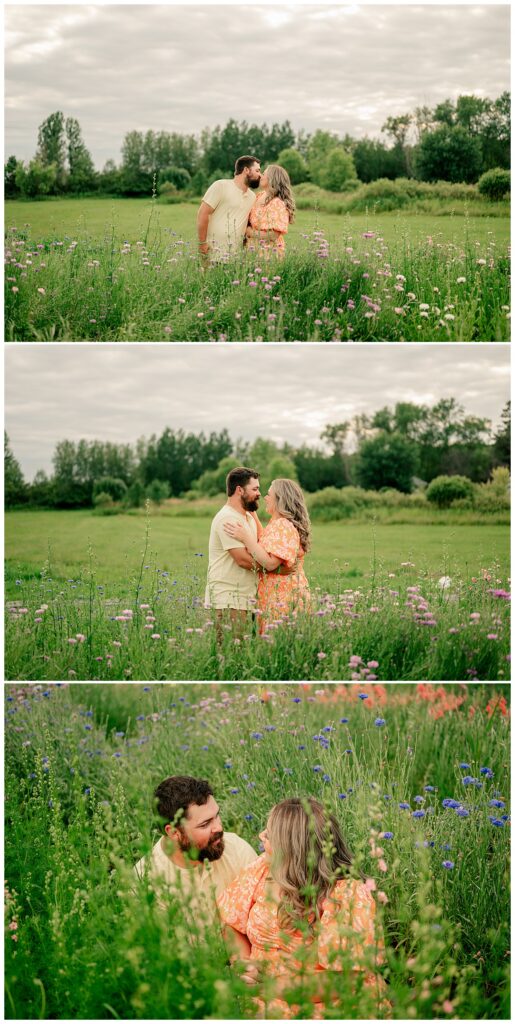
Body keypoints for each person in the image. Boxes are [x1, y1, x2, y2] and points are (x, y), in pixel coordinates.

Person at [217, 798, 387, 1019]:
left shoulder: (347, 895)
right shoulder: (262, 869)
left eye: (268, 836)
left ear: (291, 849)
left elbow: (344, 980)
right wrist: (243, 963)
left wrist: (269, 988)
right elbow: (230, 923)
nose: (260, 837)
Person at [134, 775, 257, 923]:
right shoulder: (145, 881)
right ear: (174, 833)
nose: (218, 827)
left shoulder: (237, 849)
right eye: (205, 824)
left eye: (217, 816)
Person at [223, 478, 310, 633]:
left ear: (279, 500)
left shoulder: (283, 525)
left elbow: (270, 563)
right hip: (276, 598)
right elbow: (266, 542)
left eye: (269, 494)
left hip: (283, 600)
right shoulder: (277, 523)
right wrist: (252, 513)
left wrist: (245, 538)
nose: (265, 498)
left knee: (279, 648)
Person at [197, 155, 261, 262]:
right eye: (257, 170)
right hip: (212, 253)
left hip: (236, 258)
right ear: (246, 170)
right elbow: (202, 213)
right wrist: (202, 243)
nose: (260, 175)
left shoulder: (252, 197)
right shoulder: (220, 186)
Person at [245, 164, 295, 259]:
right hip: (252, 250)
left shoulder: (277, 203)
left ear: (272, 178)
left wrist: (249, 232)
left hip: (269, 254)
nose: (260, 176)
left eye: (263, 174)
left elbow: (273, 235)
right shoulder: (259, 195)